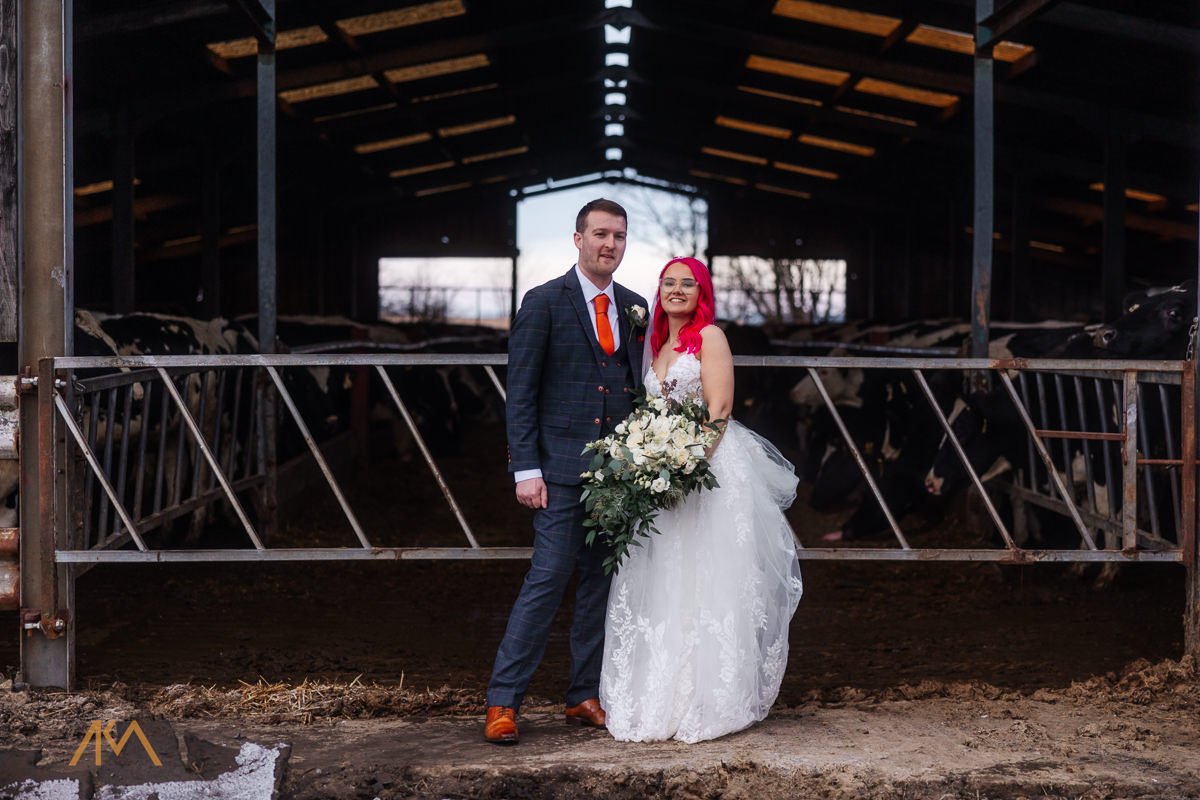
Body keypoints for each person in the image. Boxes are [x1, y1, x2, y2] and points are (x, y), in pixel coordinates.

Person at [599, 256, 803, 743]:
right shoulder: (654, 341)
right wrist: (648, 462)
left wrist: (686, 466)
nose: (676, 290)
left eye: (687, 284)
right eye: (668, 282)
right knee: (665, 574)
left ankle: (711, 696)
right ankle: (659, 692)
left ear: (701, 292)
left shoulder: (710, 337)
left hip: (704, 470)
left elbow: (720, 409)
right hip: (661, 471)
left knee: (708, 576)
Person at [485, 198, 650, 744]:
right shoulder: (544, 302)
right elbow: (522, 393)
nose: (610, 244)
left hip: (617, 478)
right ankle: (503, 702)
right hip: (556, 471)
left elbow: (634, 388)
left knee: (600, 587)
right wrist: (524, 468)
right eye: (600, 234)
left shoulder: (634, 307)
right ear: (577, 240)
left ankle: (583, 695)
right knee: (549, 578)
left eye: (619, 237)